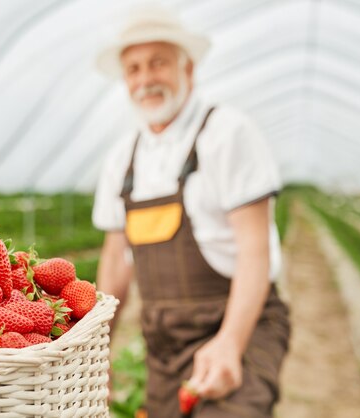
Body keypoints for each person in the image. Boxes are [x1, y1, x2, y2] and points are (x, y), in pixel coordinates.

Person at [92, 4, 290, 418]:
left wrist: (231, 344)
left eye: (158, 63)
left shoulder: (227, 134)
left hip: (240, 323)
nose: (145, 79)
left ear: (188, 70)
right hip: (163, 344)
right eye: (133, 69)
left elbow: (255, 249)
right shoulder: (121, 159)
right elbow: (115, 261)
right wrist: (98, 352)